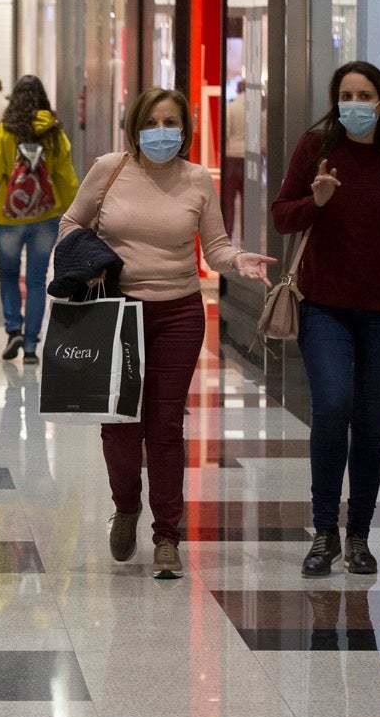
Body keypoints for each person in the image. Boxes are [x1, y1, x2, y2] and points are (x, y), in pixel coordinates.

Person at [61, 87, 275, 577]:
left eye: (171, 122)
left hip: (178, 312)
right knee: (120, 424)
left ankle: (166, 534)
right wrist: (88, 264)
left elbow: (215, 246)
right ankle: (127, 506)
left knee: (165, 426)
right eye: (152, 122)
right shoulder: (109, 169)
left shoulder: (197, 178)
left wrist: (238, 260)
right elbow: (71, 222)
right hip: (118, 311)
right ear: (135, 126)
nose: (162, 132)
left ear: (185, 130)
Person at [271, 61, 380, 578]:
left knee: (371, 420)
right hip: (325, 305)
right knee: (332, 406)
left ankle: (359, 535)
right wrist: (315, 201)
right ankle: (324, 532)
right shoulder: (315, 148)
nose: (354, 103)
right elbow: (282, 216)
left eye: (364, 94)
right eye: (345, 94)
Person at [0, 74, 79, 363]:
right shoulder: (55, 133)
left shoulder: (4, 131)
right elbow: (66, 178)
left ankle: (14, 331)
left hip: (8, 216)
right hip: (46, 216)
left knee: (8, 274)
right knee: (36, 280)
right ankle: (33, 346)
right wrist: (74, 214)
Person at [222, 79, 247, 243]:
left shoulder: (231, 107)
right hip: (248, 159)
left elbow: (227, 131)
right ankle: (246, 236)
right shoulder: (253, 109)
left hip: (231, 156)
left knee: (229, 200)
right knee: (247, 200)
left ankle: (228, 233)